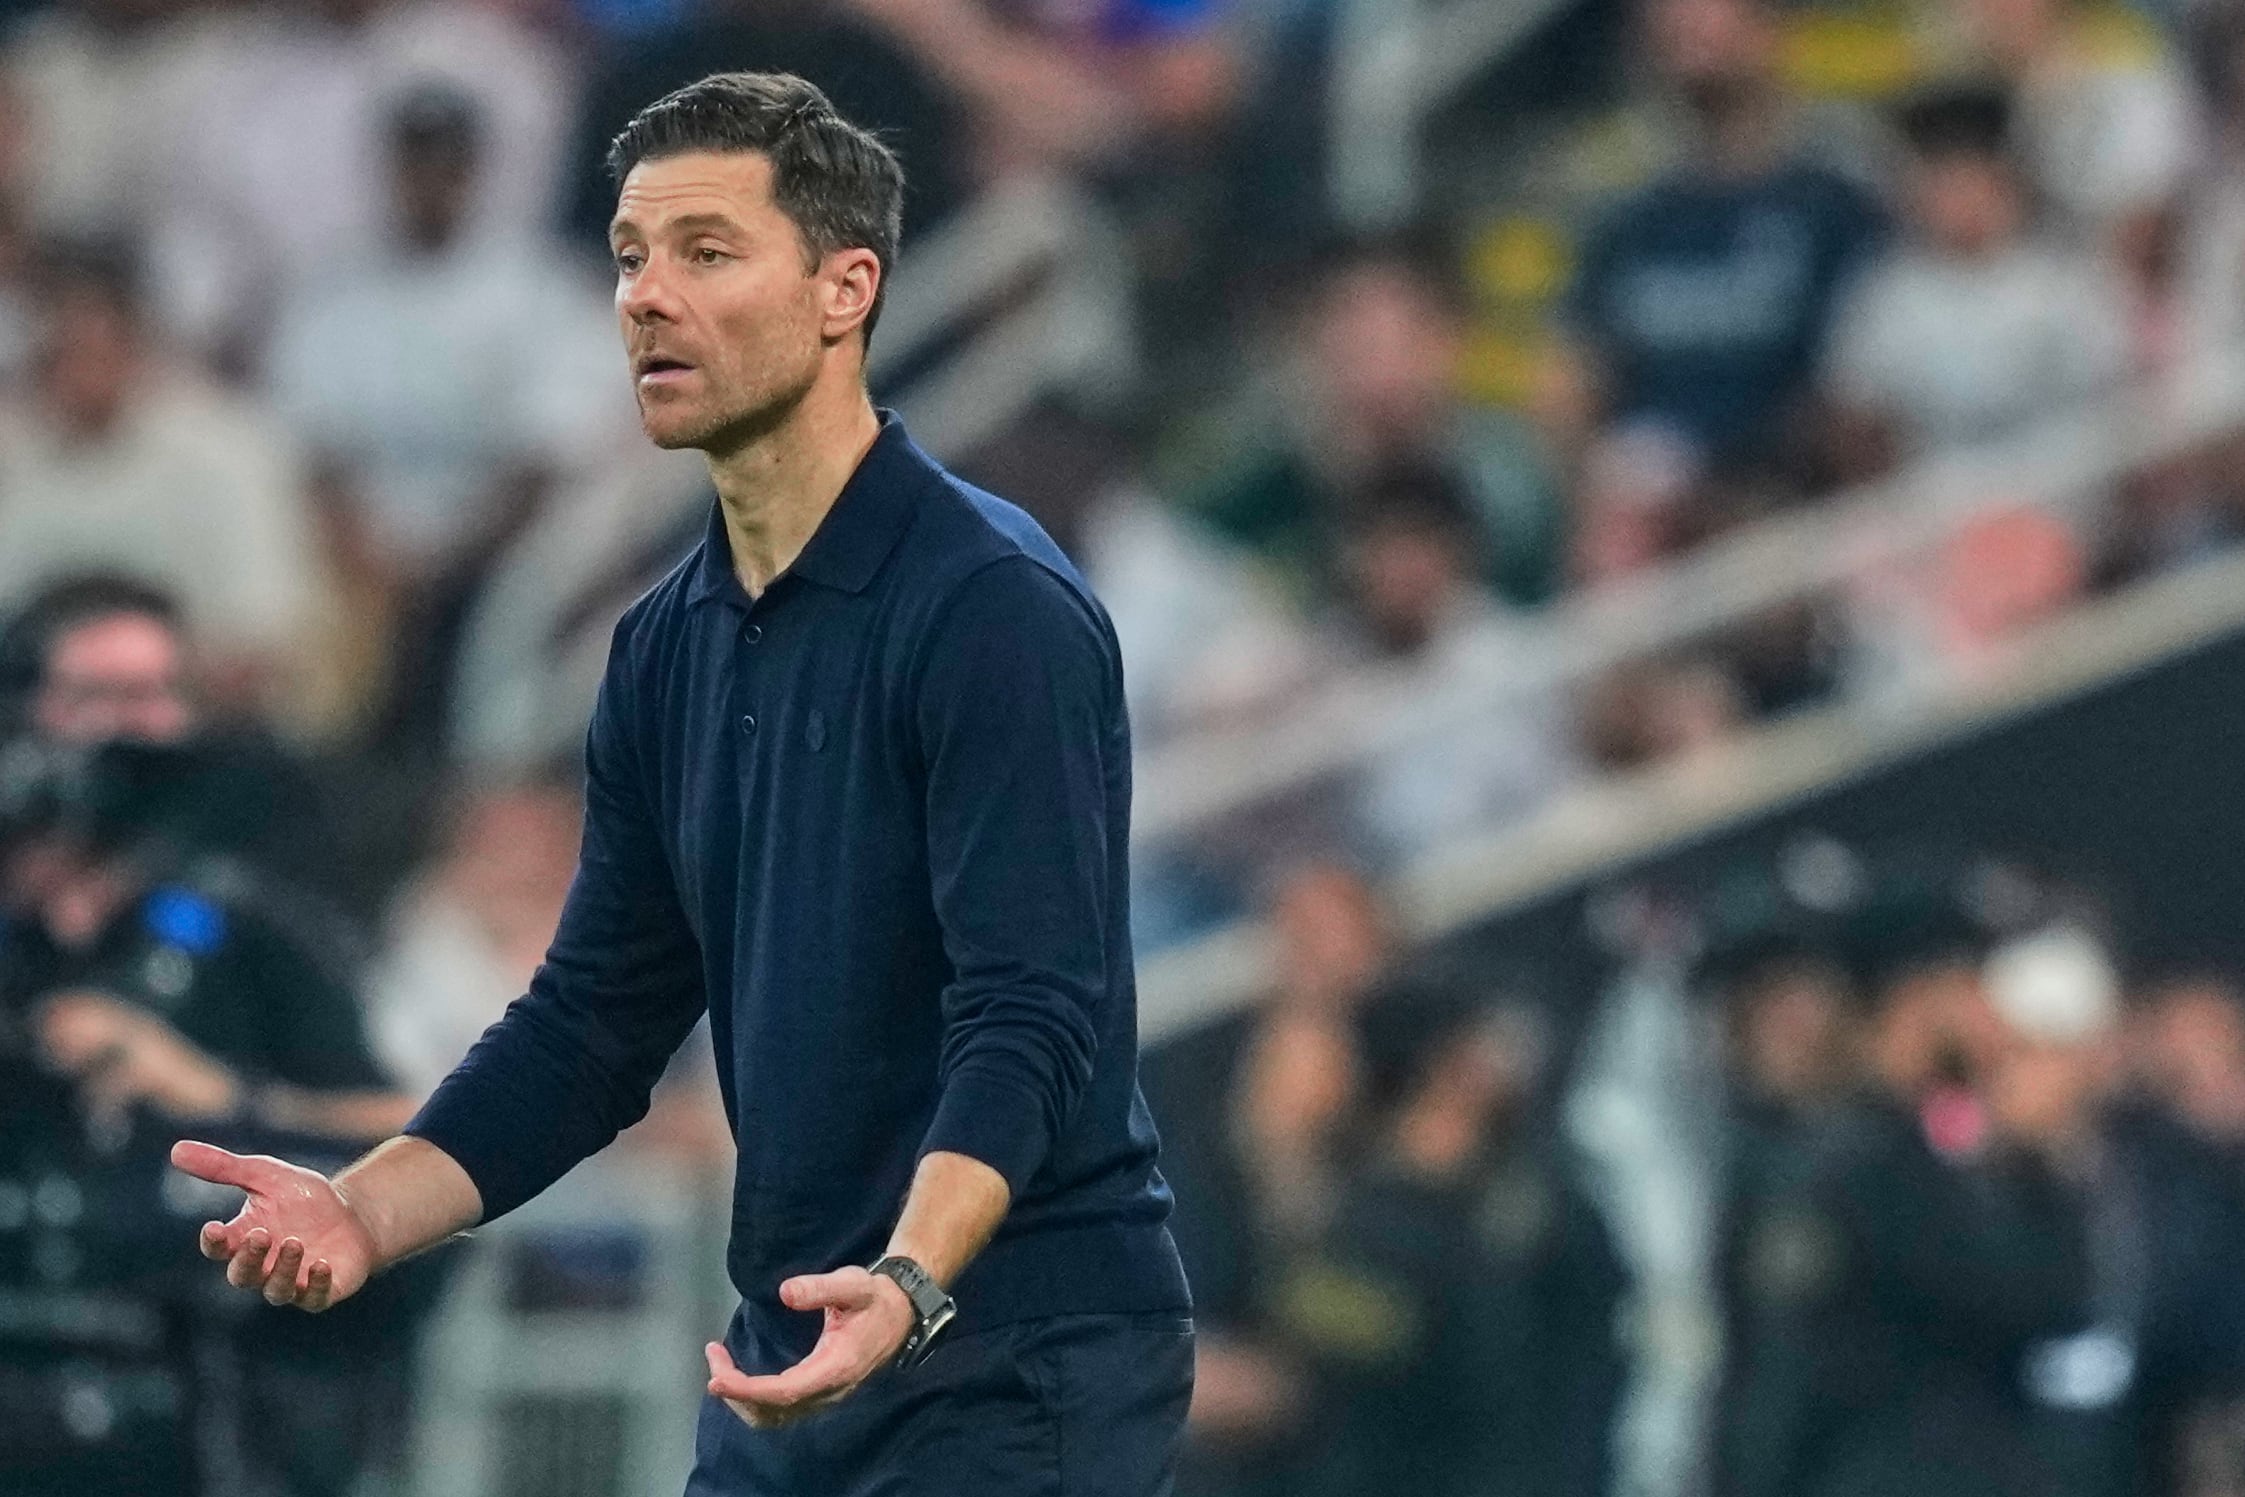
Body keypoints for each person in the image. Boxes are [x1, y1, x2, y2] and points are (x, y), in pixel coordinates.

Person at [173, 70, 1193, 1497]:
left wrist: (908, 1278)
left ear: (846, 290)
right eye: (630, 256)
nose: (648, 297)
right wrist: (365, 1209)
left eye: (707, 252)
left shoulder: (991, 605)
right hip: (788, 1344)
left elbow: (1033, 1006)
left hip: (1014, 1353)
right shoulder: (661, 645)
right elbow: (592, 1022)